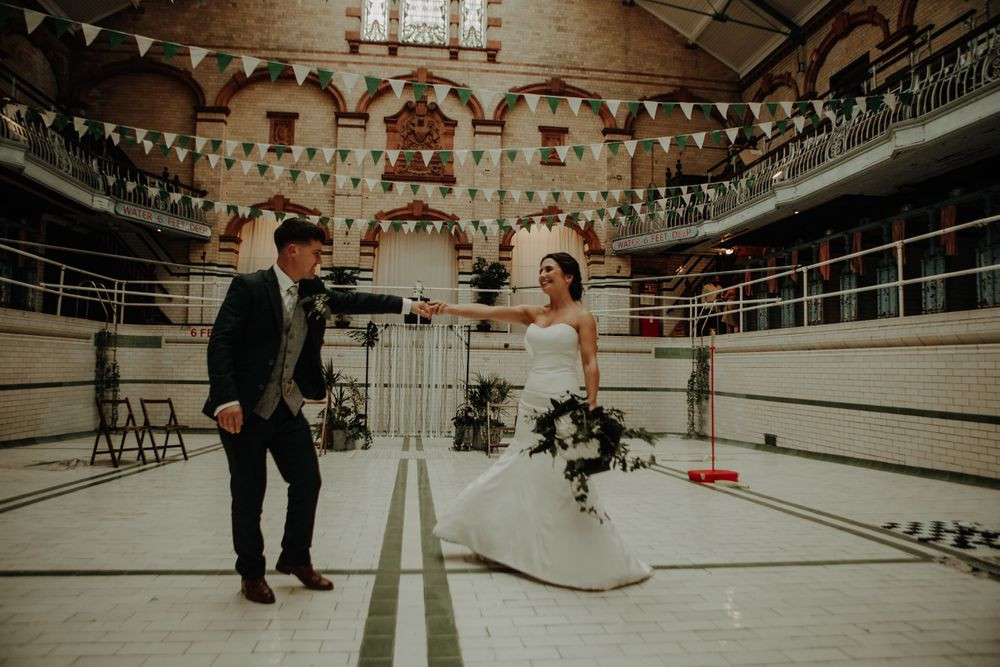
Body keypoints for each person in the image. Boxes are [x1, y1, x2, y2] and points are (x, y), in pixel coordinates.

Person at [204, 218, 433, 604]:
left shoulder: (312, 291)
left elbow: (353, 301)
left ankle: (295, 557)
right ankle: (252, 573)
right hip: (243, 410)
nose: (319, 261)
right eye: (316, 252)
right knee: (248, 494)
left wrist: (409, 305)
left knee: (307, 481)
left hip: (286, 407)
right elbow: (221, 343)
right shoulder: (249, 287)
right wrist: (227, 399)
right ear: (292, 250)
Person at [427, 253, 651, 590]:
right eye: (541, 269)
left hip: (562, 402)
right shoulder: (535, 312)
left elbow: (590, 363)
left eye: (549, 269)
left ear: (569, 277)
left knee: (561, 474)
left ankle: (577, 550)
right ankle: (499, 538)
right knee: (518, 467)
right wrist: (450, 308)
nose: (542, 274)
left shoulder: (583, 317)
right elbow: (489, 312)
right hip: (531, 401)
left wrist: (591, 405)